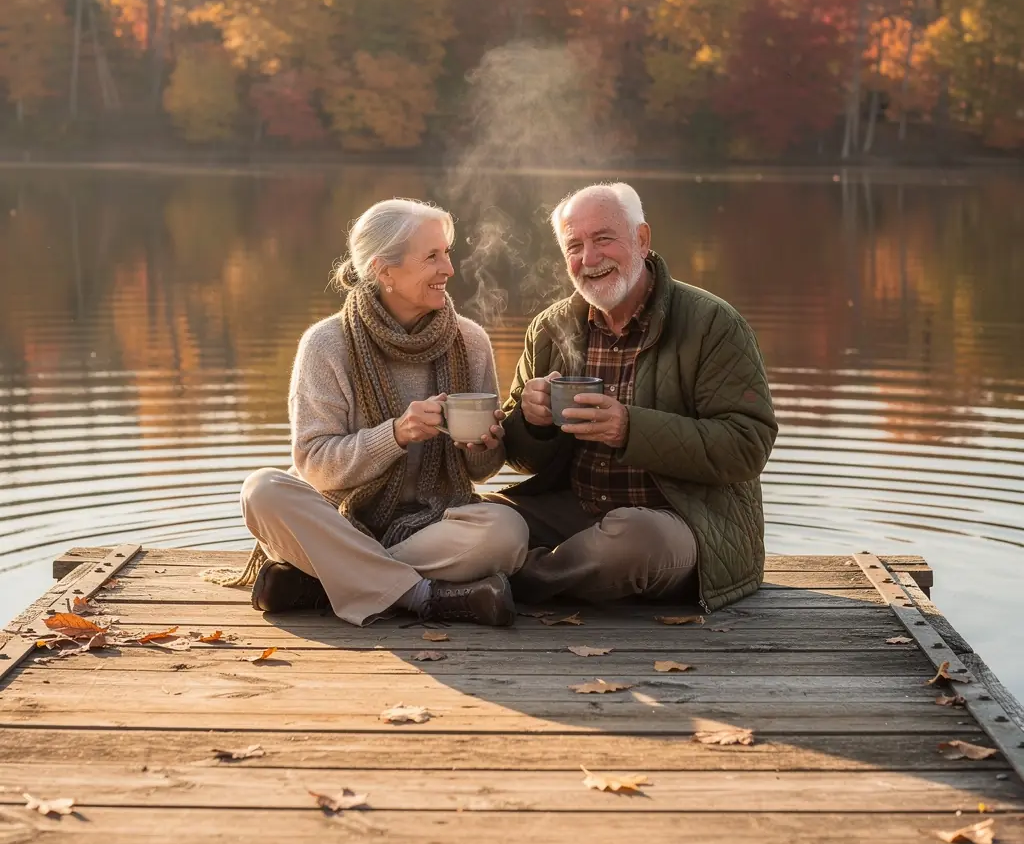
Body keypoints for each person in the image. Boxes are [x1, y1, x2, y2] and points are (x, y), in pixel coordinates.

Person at [231, 198, 529, 627]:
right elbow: (314, 467)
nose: (449, 269)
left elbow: (481, 473)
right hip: (340, 518)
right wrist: (396, 434)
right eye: (432, 256)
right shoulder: (326, 344)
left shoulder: (471, 342)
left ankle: (322, 577)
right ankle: (424, 595)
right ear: (383, 270)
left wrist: (485, 445)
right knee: (261, 491)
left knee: (507, 532)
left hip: (429, 524)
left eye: (447, 253)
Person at [490, 182, 778, 612]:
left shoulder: (713, 323)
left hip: (680, 522)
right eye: (575, 246)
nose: (589, 259)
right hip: (575, 511)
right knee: (477, 518)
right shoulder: (550, 328)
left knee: (633, 538)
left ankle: (504, 584)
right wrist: (531, 422)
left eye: (603, 239)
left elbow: (746, 446)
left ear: (642, 240)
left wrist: (629, 428)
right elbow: (522, 459)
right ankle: (533, 572)